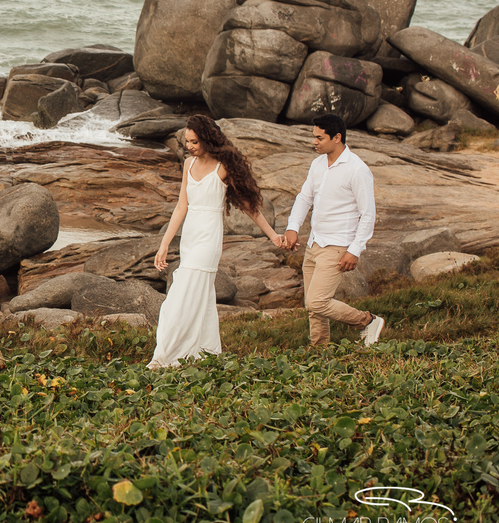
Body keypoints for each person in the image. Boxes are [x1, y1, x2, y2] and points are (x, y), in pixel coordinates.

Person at [148, 115, 283, 368]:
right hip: (190, 236)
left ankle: (165, 355)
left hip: (209, 238)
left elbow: (249, 206)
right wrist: (164, 244)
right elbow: (181, 207)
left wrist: (273, 235)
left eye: (195, 141)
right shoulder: (188, 164)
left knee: (179, 296)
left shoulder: (223, 167)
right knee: (201, 296)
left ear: (208, 139)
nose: (190, 146)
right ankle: (205, 350)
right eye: (187, 142)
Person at [283, 113, 385, 347]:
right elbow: (303, 198)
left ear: (337, 137)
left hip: (338, 245)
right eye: (314, 137)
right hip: (314, 243)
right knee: (313, 306)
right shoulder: (317, 164)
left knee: (317, 301)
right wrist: (292, 228)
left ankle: (367, 321)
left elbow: (368, 213)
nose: (314, 142)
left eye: (319, 138)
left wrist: (355, 250)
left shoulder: (357, 169)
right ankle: (319, 349)